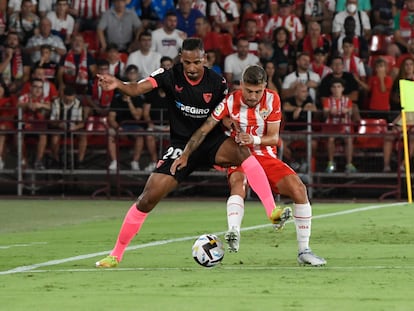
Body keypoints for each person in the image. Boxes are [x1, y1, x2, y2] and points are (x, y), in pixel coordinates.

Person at [95, 38, 284, 268]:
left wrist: (230, 124)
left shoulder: (217, 82)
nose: (192, 68)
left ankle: (271, 210)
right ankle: (116, 254)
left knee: (244, 153)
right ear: (180, 59)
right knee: (148, 198)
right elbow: (136, 88)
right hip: (181, 145)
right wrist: (118, 84)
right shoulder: (168, 76)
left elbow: (221, 114)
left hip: (213, 142)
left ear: (204, 59)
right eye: (187, 63)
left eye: (196, 62)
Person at [171, 65, 326, 266]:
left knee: (299, 189)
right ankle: (233, 232)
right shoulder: (229, 101)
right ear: (241, 85)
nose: (253, 96)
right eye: (249, 91)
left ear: (265, 87)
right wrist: (186, 154)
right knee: (238, 182)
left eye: (258, 91)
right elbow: (204, 129)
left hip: (265, 155)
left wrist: (251, 138)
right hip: (239, 156)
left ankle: (304, 251)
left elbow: (273, 138)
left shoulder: (273, 100)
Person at [107, 64, 158, 171]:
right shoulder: (116, 99)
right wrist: (118, 127)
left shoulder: (138, 98)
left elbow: (137, 116)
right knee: (111, 134)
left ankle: (135, 162)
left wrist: (129, 101)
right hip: (120, 127)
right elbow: (111, 118)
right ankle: (114, 162)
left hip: (134, 126)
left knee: (140, 136)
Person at [322, 77, 357, 173]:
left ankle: (349, 164)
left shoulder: (347, 100)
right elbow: (325, 113)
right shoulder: (327, 101)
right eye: (334, 87)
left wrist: (348, 111)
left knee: (348, 139)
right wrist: (329, 111)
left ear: (342, 88)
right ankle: (331, 163)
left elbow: (350, 112)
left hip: (344, 126)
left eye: (338, 87)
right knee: (331, 139)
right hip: (331, 127)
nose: (336, 89)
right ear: (331, 89)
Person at [49, 85, 87, 168]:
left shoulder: (78, 104)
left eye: (71, 100)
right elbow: (51, 121)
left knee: (83, 136)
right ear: (63, 96)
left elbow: (82, 123)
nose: (69, 102)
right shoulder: (56, 103)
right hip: (59, 127)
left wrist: (76, 127)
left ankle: (80, 161)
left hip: (74, 128)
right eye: (67, 100)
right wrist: (59, 124)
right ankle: (56, 160)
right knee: (55, 137)